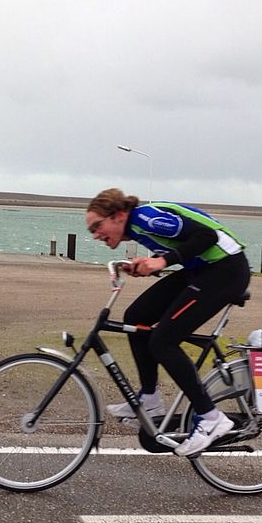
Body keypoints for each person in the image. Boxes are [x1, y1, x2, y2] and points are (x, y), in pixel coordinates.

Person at [85, 188, 252, 457]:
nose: (95, 234)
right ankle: (149, 399)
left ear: (117, 216)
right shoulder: (138, 228)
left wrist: (161, 260)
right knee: (136, 317)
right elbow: (184, 250)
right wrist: (147, 265)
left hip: (226, 272)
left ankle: (211, 418)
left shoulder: (147, 219)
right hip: (201, 271)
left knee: (163, 340)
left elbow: (206, 237)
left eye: (97, 226)